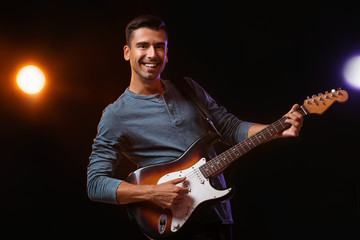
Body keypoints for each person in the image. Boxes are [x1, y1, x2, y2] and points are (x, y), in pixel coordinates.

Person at [87, 15, 303, 240]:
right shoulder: (116, 114)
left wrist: (277, 128)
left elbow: (230, 129)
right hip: (174, 224)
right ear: (127, 52)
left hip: (219, 216)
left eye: (159, 46)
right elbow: (96, 183)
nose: (152, 54)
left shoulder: (188, 88)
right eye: (142, 46)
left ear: (167, 53)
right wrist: (153, 193)